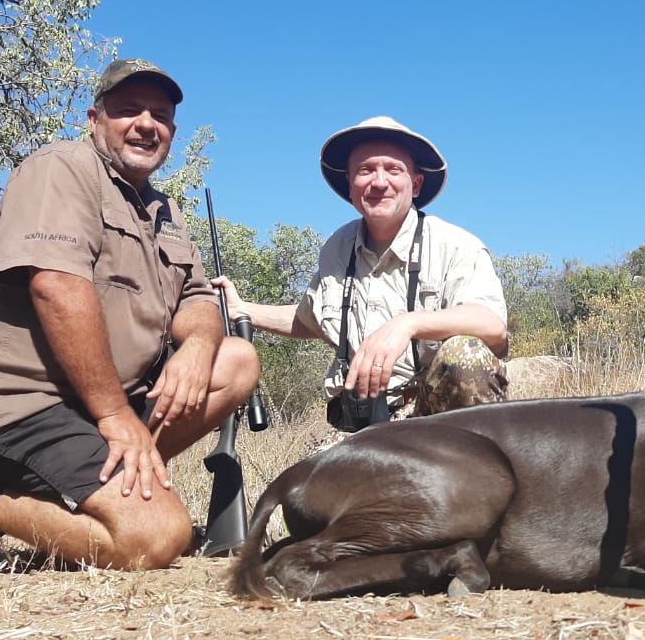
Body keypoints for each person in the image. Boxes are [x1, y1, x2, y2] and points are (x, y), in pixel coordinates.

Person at [0, 59, 260, 580]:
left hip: (95, 405)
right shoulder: (61, 167)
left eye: (161, 115)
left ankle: (81, 508)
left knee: (233, 359)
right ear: (94, 119)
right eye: (128, 110)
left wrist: (195, 348)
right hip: (16, 403)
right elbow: (55, 288)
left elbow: (198, 301)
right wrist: (114, 417)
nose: (147, 124)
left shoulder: (164, 210)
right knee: (154, 539)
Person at [214, 116, 508, 431]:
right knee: (297, 481)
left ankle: (477, 475)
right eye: (365, 170)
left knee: (466, 352)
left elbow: (491, 323)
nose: (379, 182)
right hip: (362, 425)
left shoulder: (454, 243)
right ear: (351, 187)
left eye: (394, 170)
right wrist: (242, 310)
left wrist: (408, 324)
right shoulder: (336, 250)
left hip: (435, 423)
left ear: (416, 184)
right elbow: (308, 319)